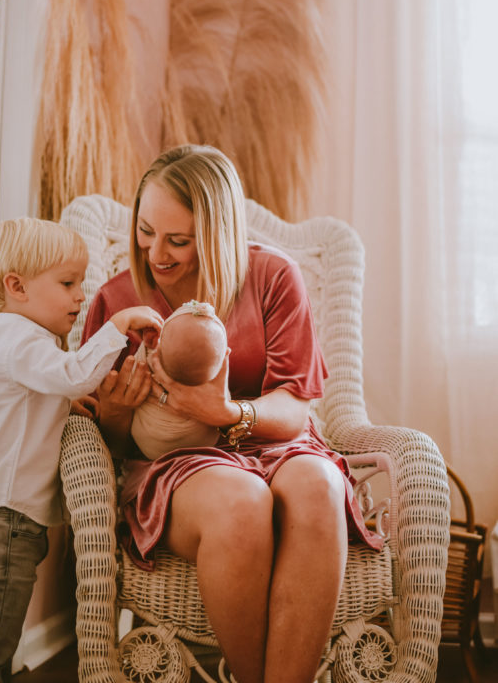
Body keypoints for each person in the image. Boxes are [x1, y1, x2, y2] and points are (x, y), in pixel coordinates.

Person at [78, 144, 384, 683]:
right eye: (146, 230)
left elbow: (294, 407)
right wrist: (120, 415)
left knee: (318, 485)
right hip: (179, 462)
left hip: (277, 444)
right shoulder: (117, 300)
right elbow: (112, 440)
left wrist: (225, 410)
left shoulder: (272, 277)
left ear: (220, 232)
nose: (156, 254)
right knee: (243, 502)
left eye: (179, 240)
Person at [0, 217, 163, 683]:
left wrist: (64, 403)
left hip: (0, 518)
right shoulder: (22, 341)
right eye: (68, 283)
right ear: (17, 287)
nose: (81, 295)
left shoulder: (13, 342)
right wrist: (116, 325)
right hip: (4, 522)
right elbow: (75, 371)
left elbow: (30, 398)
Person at [130, 300, 226, 459]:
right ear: (225, 355)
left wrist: (148, 345)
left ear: (157, 343)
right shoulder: (213, 369)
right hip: (205, 442)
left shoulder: (151, 360)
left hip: (150, 444)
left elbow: (132, 376)